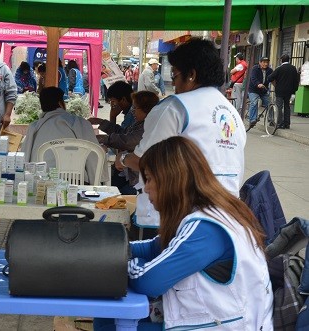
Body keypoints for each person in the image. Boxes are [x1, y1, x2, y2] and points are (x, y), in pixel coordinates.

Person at [94, 136, 273, 331]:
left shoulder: (207, 228)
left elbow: (148, 280)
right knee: (106, 317)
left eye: (150, 179)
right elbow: (155, 246)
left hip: (224, 325)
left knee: (109, 326)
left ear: (171, 179)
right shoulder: (209, 212)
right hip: (213, 318)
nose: (146, 188)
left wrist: (116, 262)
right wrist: (109, 250)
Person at [116, 38, 246, 227]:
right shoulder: (231, 112)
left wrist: (122, 159)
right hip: (225, 215)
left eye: (175, 76)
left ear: (191, 75)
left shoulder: (175, 108)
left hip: (176, 217)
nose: (175, 85)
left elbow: (145, 161)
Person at [21, 87, 102, 184]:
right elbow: (94, 156)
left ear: (42, 106)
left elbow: (24, 157)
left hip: (42, 183)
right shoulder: (79, 123)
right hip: (75, 183)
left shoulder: (34, 127)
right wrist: (96, 183)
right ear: (61, 103)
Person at [91, 91, 159, 194]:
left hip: (141, 180)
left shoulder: (149, 127)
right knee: (109, 184)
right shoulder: (139, 124)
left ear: (146, 110)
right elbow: (123, 132)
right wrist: (102, 122)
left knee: (114, 193)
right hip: (130, 173)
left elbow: (127, 141)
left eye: (135, 108)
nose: (132, 112)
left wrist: (105, 139)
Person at [268, 54, 300, 129]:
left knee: (279, 106)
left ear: (281, 60)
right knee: (287, 106)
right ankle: (287, 123)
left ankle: (280, 123)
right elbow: (296, 81)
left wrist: (275, 82)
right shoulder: (293, 68)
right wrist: (294, 91)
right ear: (288, 60)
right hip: (289, 91)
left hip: (280, 91)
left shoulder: (279, 68)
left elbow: (270, 78)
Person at [247, 56, 273, 129]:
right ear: (260, 63)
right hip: (254, 89)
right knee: (254, 102)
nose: (266, 64)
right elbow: (253, 78)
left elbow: (272, 79)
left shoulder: (270, 70)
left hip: (263, 90)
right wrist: (258, 84)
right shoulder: (255, 68)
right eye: (264, 62)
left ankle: (271, 120)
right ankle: (252, 119)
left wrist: (277, 86)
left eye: (267, 62)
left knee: (270, 104)